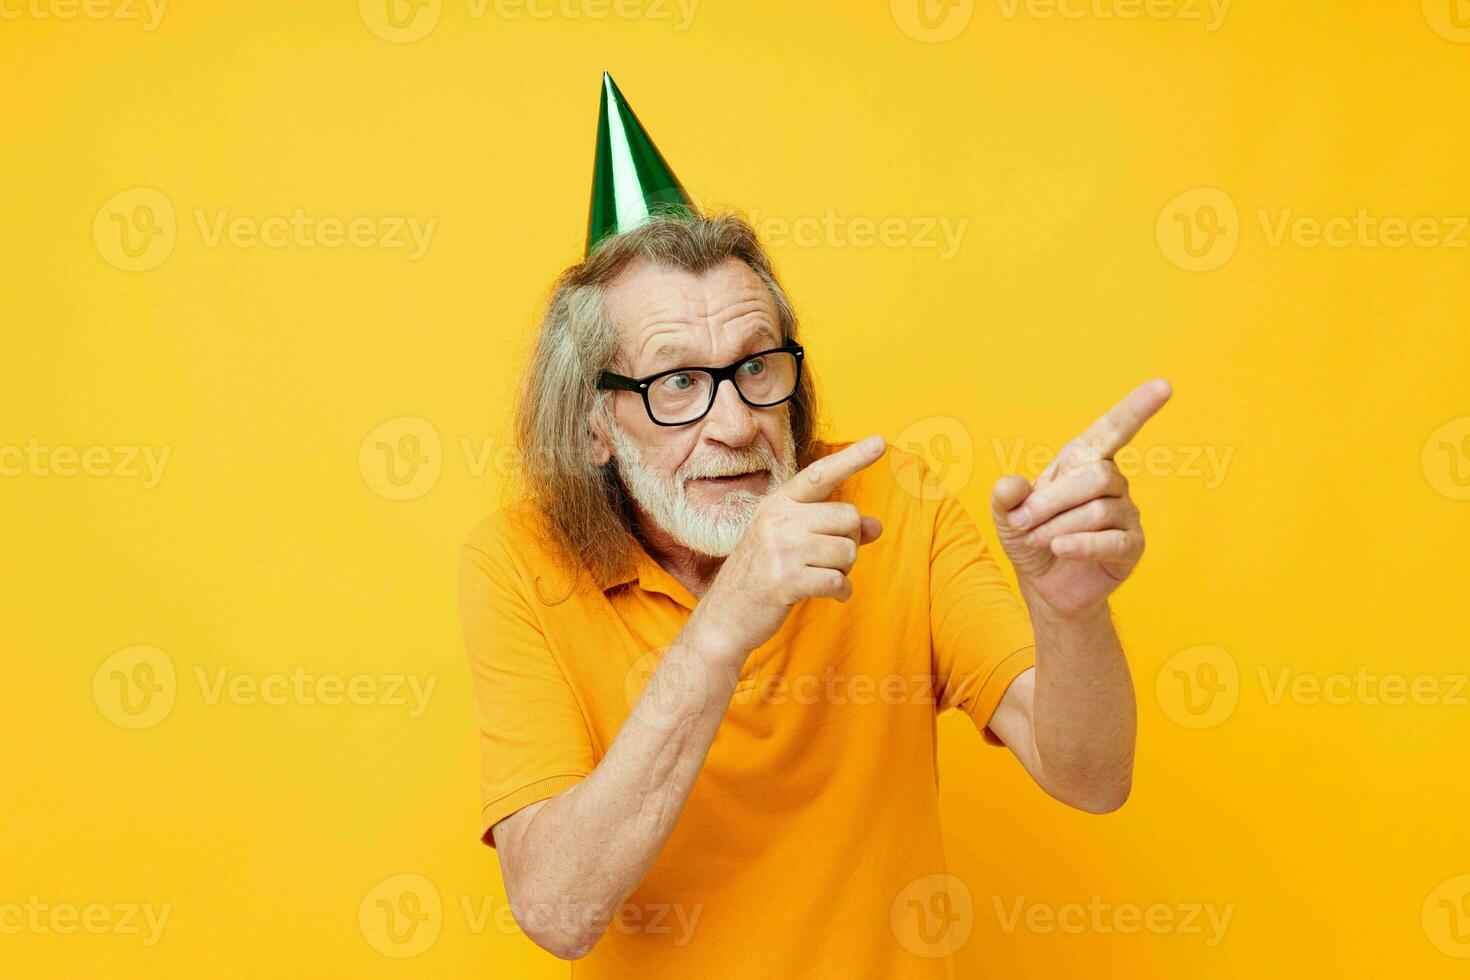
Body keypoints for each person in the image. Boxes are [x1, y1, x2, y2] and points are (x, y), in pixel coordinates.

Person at [457, 73, 1171, 977]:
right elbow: (557, 910)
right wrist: (725, 627)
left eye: (757, 365)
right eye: (676, 382)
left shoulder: (892, 504)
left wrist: (1072, 617)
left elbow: (1092, 777)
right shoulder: (517, 563)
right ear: (593, 424)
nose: (734, 420)